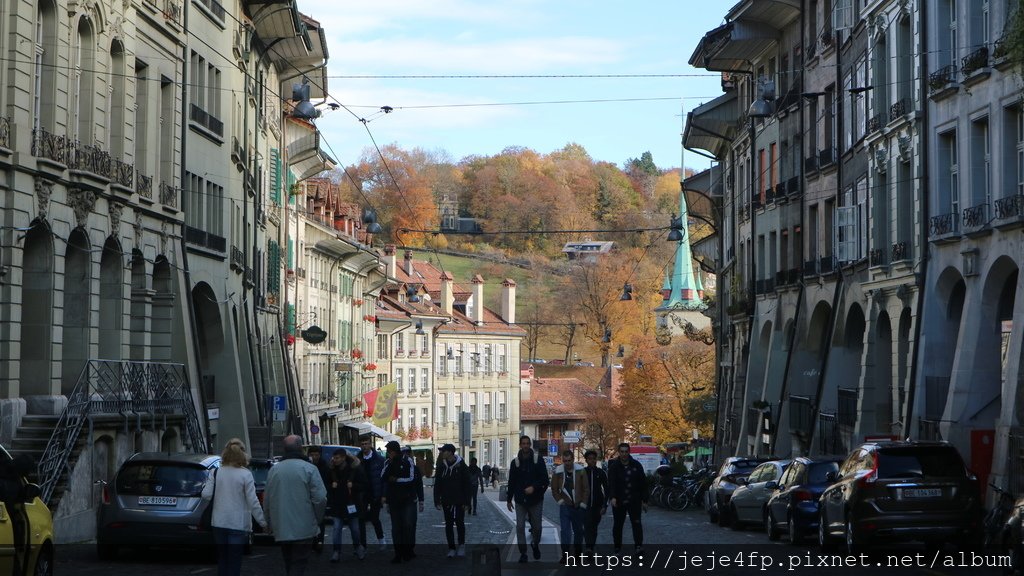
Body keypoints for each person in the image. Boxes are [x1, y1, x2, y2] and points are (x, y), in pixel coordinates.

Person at [201, 439, 267, 576]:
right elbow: (253, 502)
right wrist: (263, 522)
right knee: (234, 561)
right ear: (243, 455)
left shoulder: (215, 472)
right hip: (237, 523)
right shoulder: (245, 474)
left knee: (223, 559)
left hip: (218, 522)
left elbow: (206, 495)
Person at [263, 435, 327, 576]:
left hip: (282, 525)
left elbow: (267, 499)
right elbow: (320, 498)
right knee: (299, 562)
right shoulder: (309, 469)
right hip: (304, 526)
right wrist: (318, 518)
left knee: (289, 560)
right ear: (300, 448)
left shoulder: (274, 470)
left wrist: (267, 521)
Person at [506, 435, 549, 563]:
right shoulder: (515, 463)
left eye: (527, 443)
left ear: (530, 445)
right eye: (523, 443)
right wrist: (509, 500)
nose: (525, 446)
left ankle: (535, 544)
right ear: (520, 445)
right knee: (519, 527)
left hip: (535, 499)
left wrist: (534, 488)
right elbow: (511, 482)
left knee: (537, 527)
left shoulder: (538, 460)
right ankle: (523, 552)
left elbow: (545, 480)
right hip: (520, 500)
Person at [607, 442, 648, 554]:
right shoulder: (614, 466)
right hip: (619, 499)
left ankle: (638, 546)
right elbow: (611, 483)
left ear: (629, 452)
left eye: (626, 451)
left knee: (636, 523)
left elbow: (643, 483)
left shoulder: (636, 465)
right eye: (622, 452)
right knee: (618, 524)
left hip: (634, 499)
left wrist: (645, 500)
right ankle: (617, 546)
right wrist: (613, 497)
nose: (624, 454)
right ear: (619, 452)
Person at [326, 449, 367, 561]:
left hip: (351, 503)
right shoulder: (332, 470)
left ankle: (358, 547)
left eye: (337, 458)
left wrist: (353, 485)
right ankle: (336, 551)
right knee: (336, 528)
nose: (335, 460)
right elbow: (326, 485)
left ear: (344, 458)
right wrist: (331, 486)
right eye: (334, 458)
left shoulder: (354, 469)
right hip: (337, 504)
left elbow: (364, 485)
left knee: (354, 529)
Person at [381, 440, 418, 563]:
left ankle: (407, 551)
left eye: (389, 451)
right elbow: (383, 476)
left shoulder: (407, 460)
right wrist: (390, 465)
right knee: (396, 528)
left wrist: (397, 480)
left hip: (407, 499)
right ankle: (398, 553)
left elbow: (412, 479)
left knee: (407, 525)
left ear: (395, 451)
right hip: (394, 500)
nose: (388, 453)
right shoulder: (388, 462)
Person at [434, 444, 473, 558]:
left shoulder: (461, 466)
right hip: (447, 500)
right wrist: (437, 500)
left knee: (460, 523)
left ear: (450, 452)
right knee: (449, 524)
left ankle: (461, 545)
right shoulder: (442, 466)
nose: (442, 453)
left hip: (459, 500)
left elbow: (467, 484)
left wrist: (467, 502)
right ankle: (451, 547)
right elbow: (438, 484)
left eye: (444, 451)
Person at [551, 449, 589, 558]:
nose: (567, 463)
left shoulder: (580, 470)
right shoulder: (558, 472)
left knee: (578, 530)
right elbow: (554, 488)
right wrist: (560, 501)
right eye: (565, 461)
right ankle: (565, 553)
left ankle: (577, 551)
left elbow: (586, 489)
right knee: (565, 531)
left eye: (569, 460)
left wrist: (583, 503)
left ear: (573, 460)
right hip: (565, 506)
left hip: (577, 505)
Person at [357, 435, 388, 551]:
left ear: (370, 444)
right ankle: (362, 545)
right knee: (361, 519)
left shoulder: (379, 459)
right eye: (362, 444)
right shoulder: (357, 459)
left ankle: (381, 539)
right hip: (362, 494)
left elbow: (384, 479)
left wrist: (384, 495)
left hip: (375, 493)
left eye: (366, 444)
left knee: (375, 518)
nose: (364, 446)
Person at [582, 449, 608, 554]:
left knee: (594, 526)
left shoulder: (600, 473)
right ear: (586, 460)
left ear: (596, 460)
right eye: (590, 459)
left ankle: (591, 545)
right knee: (587, 525)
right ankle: (589, 547)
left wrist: (604, 505)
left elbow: (607, 489)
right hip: (585, 504)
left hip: (598, 504)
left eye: (593, 459)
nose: (592, 461)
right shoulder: (582, 472)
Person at [306, 445, 331, 552]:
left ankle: (320, 540)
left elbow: (327, 482)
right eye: (312, 455)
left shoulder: (324, 466)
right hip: (308, 496)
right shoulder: (306, 465)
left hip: (320, 495)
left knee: (320, 519)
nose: (314, 457)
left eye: (316, 455)